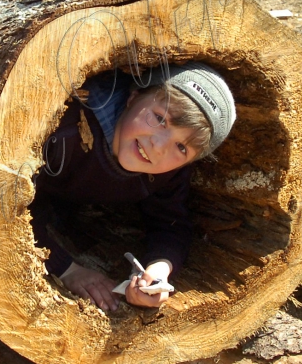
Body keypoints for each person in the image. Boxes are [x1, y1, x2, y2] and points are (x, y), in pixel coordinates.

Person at [31, 61, 236, 311]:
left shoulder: (168, 171)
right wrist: (66, 268)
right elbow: (4, 203)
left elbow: (170, 223)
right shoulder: (64, 126)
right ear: (133, 97)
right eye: (160, 118)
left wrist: (158, 272)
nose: (158, 146)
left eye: (182, 147)